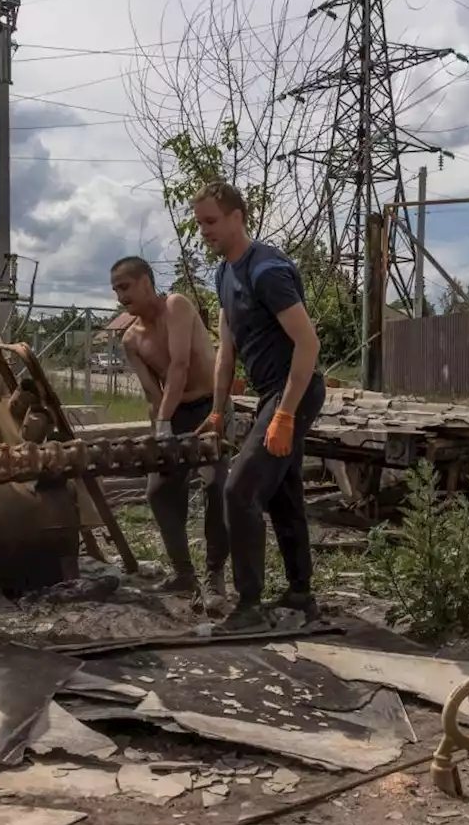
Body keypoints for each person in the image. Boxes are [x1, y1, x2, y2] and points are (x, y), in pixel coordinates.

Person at [192, 181, 326, 628]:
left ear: (236, 217)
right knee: (283, 493)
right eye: (200, 224)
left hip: (295, 388)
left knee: (240, 489)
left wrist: (285, 413)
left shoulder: (266, 269)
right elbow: (226, 351)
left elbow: (308, 344)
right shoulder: (224, 273)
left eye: (211, 221)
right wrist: (216, 410)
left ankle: (249, 605)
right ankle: (300, 592)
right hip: (269, 393)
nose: (205, 231)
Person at [110, 256, 229, 596]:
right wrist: (158, 430)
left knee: (217, 487)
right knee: (159, 492)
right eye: (116, 290)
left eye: (125, 286)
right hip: (173, 415)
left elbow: (179, 366)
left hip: (210, 408)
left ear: (146, 282)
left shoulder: (176, 306)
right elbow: (152, 393)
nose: (121, 296)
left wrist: (163, 419)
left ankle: (215, 574)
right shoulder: (131, 340)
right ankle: (183, 573)